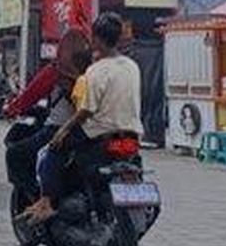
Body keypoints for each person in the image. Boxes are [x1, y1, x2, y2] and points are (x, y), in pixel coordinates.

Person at [22, 12, 142, 224]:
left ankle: (46, 202)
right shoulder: (132, 67)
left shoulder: (95, 71)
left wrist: (63, 130)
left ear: (95, 40)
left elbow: (86, 109)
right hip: (131, 133)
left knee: (53, 149)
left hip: (100, 134)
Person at [3, 30, 93, 196]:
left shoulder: (55, 71)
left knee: (15, 154)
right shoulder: (95, 70)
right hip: (95, 132)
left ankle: (37, 198)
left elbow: (29, 95)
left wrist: (12, 109)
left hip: (60, 129)